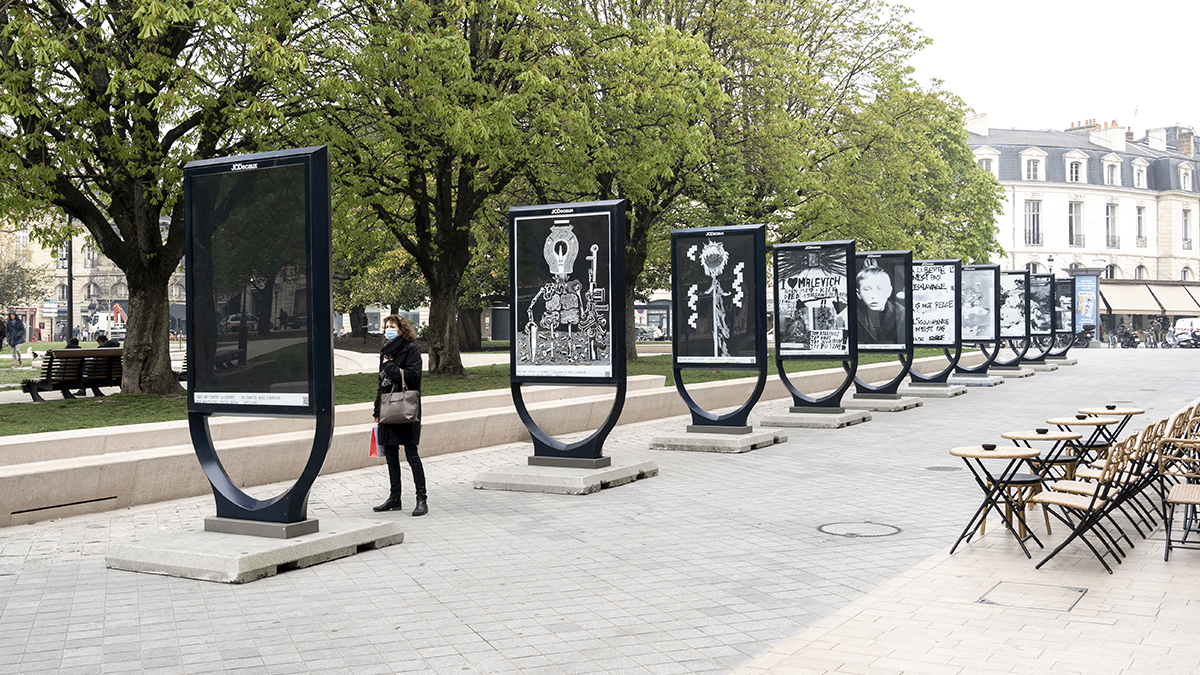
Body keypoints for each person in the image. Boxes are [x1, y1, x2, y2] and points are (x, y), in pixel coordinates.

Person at [372, 314, 428, 516]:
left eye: (392, 326)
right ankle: (394, 497)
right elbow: (381, 383)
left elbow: (413, 377)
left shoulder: (411, 349)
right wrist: (377, 409)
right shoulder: (385, 352)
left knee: (412, 454)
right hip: (388, 408)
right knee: (391, 456)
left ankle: (421, 498)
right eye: (386, 327)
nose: (389, 330)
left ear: (402, 329)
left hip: (405, 409)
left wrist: (390, 366)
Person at [855, 263, 905, 345]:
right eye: (867, 289)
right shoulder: (851, 315)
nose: (874, 295)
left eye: (879, 288)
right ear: (858, 293)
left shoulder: (902, 314)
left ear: (889, 291)